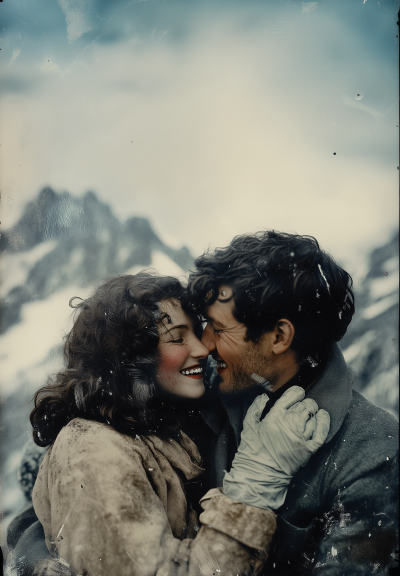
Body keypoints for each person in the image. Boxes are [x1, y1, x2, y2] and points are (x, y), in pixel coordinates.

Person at [6, 272, 330, 576]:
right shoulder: (91, 448)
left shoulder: (154, 420)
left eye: (197, 330)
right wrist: (256, 480)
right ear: (129, 357)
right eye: (177, 338)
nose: (202, 349)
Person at [188, 230, 399, 576]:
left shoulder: (375, 452)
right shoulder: (208, 387)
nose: (204, 344)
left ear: (279, 337)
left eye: (219, 328)